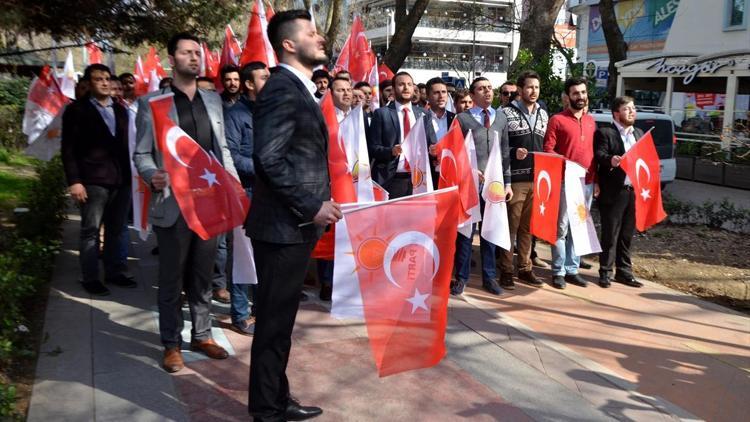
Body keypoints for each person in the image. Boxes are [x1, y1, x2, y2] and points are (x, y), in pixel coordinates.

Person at [246, 10, 340, 421]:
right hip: (283, 228)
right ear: (288, 44)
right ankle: (267, 410)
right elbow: (267, 159)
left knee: (279, 324)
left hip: (293, 228)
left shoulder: (297, 88)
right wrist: (312, 206)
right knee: (272, 325)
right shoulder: (282, 88)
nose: (320, 38)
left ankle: (277, 399)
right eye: (311, 32)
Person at [134, 32, 237, 373]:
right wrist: (152, 175)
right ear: (172, 59)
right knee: (172, 279)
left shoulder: (212, 101)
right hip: (174, 205)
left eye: (198, 52)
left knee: (203, 276)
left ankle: (203, 335)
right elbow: (142, 153)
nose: (195, 58)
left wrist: (233, 189)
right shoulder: (154, 104)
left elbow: (221, 150)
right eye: (187, 52)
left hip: (209, 204)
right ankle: (171, 343)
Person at [61, 64, 135, 297]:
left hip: (121, 180)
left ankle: (114, 272)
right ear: (89, 83)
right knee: (90, 231)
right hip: (92, 181)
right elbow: (68, 149)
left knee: (116, 229)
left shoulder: (122, 111)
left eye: (106, 78)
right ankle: (90, 277)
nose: (104, 82)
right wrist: (75, 181)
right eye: (98, 79)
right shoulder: (77, 110)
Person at [451, 77, 512, 296]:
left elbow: (505, 152)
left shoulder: (501, 118)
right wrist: (467, 170)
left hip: (494, 186)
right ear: (473, 94)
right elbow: (455, 151)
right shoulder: (462, 119)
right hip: (469, 185)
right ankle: (461, 277)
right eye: (481, 89)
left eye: (489, 88)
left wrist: (508, 183)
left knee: (490, 232)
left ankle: (489, 277)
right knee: (466, 233)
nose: (487, 92)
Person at [223, 61, 270, 335]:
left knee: (264, 255)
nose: (269, 81)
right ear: (249, 84)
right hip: (246, 192)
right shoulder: (235, 115)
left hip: (269, 194)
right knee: (242, 254)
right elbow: (231, 155)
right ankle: (240, 313)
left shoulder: (270, 112)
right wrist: (265, 168)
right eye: (263, 78)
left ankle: (260, 309)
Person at [543, 76, 598, 289]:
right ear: (568, 96)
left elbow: (593, 154)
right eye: (576, 93)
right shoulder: (557, 120)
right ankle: (558, 271)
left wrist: (597, 181)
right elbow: (549, 149)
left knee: (579, 227)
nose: (580, 97)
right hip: (566, 182)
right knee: (561, 228)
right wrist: (569, 165)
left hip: (588, 183)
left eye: (583, 92)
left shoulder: (591, 120)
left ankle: (572, 269)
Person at [499, 71, 548, 289]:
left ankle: (525, 268)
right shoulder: (504, 113)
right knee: (510, 227)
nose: (533, 91)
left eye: (536, 87)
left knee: (527, 228)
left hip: (536, 179)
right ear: (519, 90)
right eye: (529, 87)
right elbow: (496, 146)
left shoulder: (543, 114)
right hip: (514, 180)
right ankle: (506, 270)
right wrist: (511, 151)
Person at [594, 96, 644, 289]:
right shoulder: (606, 133)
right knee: (610, 234)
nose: (632, 112)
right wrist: (610, 160)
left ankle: (624, 272)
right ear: (616, 113)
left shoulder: (638, 133)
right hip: (614, 192)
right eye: (626, 109)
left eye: (633, 108)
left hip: (633, 191)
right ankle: (605, 272)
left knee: (627, 234)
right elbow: (599, 155)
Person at [367, 71, 437, 199]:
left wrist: (434, 150)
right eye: (401, 84)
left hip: (419, 180)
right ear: (393, 90)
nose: (406, 88)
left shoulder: (424, 114)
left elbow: (432, 143)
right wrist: (391, 151)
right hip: (390, 179)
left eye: (409, 84)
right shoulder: (382, 114)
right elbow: (372, 148)